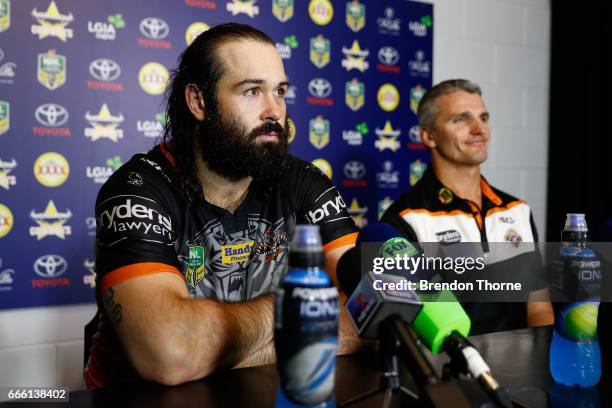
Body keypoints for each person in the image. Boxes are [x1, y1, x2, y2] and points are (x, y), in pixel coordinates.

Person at [84, 23, 361, 388]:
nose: (274, 111)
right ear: (199, 102)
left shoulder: (304, 182)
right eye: (252, 91)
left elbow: (371, 313)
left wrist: (218, 347)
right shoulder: (138, 190)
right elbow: (174, 354)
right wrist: (298, 308)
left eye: (279, 91)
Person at [381, 79, 553, 334]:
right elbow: (403, 323)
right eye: (461, 119)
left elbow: (539, 307)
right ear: (428, 136)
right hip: (450, 369)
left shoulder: (517, 210)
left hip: (520, 370)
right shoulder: (403, 219)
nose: (479, 129)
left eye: (483, 118)